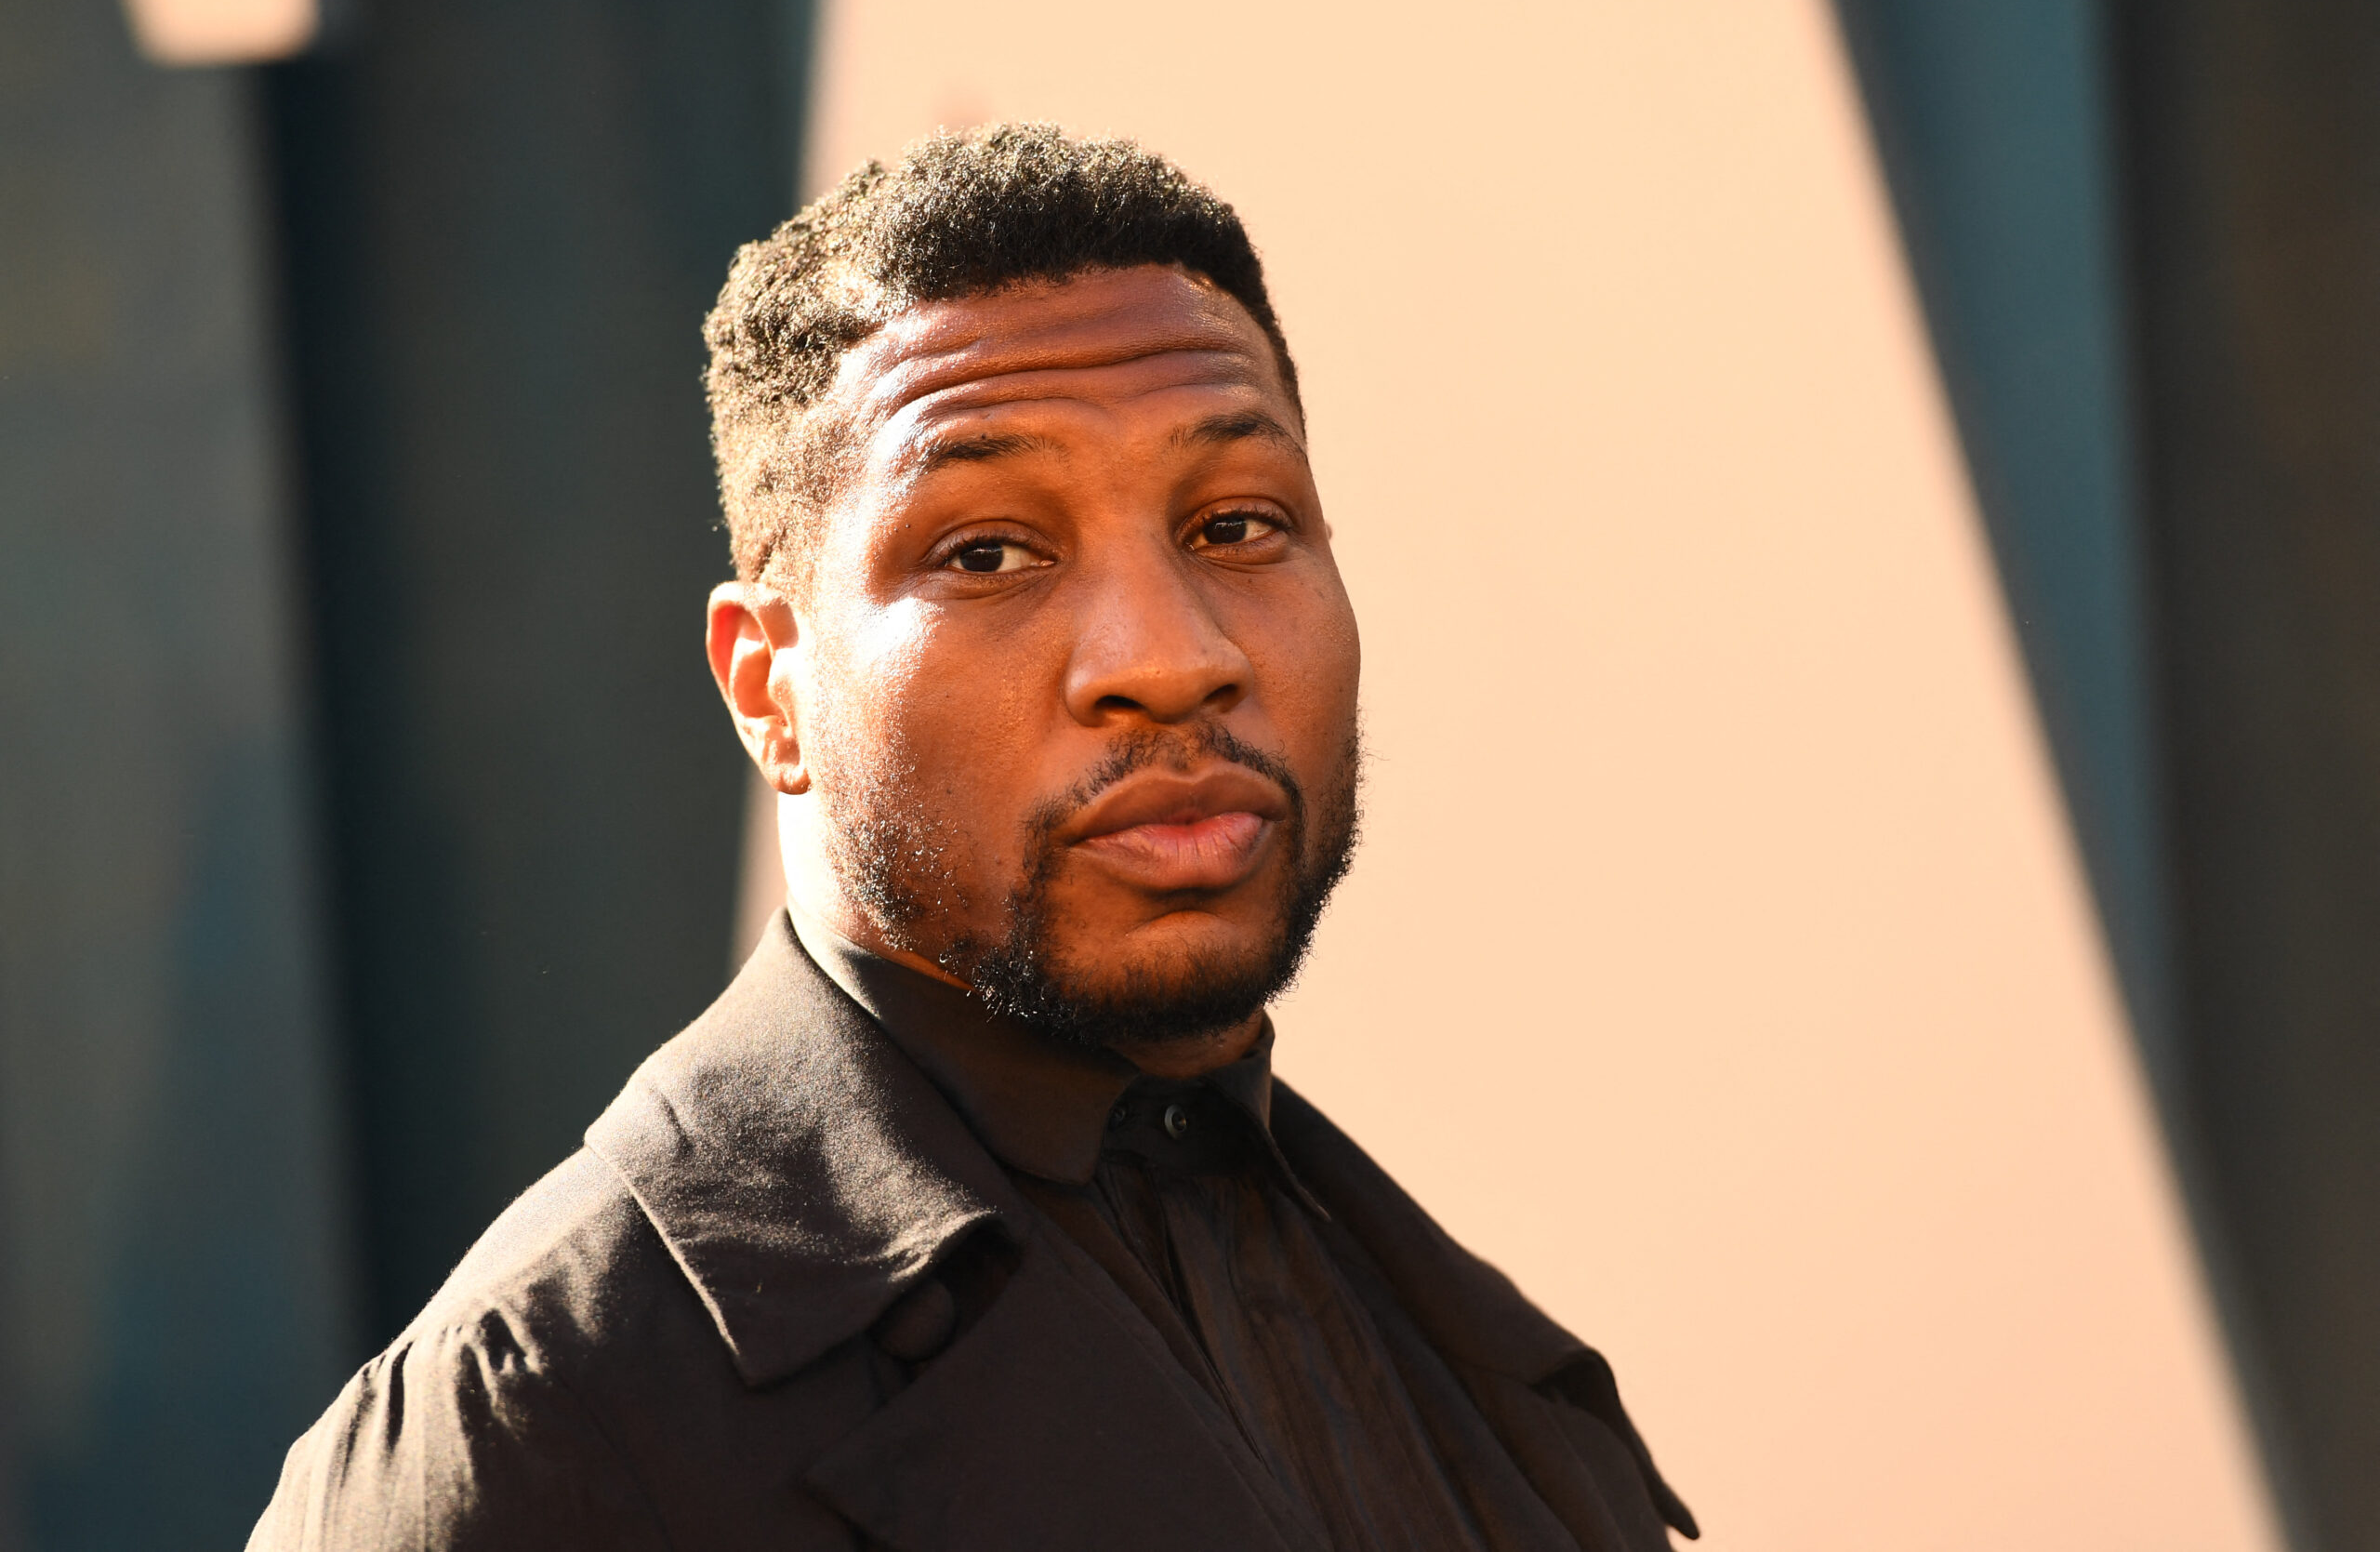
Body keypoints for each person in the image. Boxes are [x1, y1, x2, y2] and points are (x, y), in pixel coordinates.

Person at [250, 124, 1696, 1552]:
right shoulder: (532, 1424)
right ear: (771, 687)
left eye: (1239, 523)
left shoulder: (1468, 1358)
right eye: (988, 552)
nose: (1169, 655)